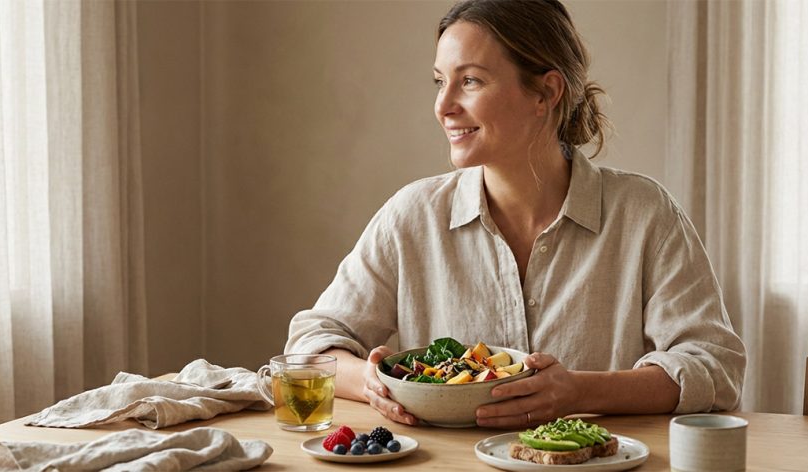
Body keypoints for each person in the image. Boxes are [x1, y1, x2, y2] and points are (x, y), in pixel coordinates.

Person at [285, 0, 745, 428]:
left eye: (470, 81)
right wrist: (372, 383)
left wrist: (578, 391)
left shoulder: (644, 214)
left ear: (545, 92)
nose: (443, 106)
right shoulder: (412, 216)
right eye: (440, 81)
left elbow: (715, 367)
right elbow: (311, 345)